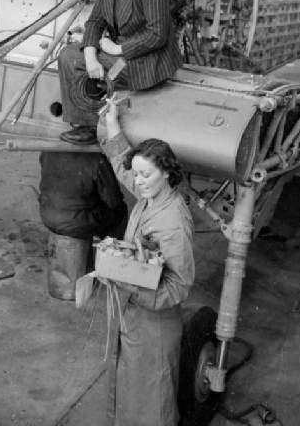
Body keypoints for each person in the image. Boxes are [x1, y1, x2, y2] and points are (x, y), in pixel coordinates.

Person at [98, 97, 195, 426]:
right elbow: (123, 168)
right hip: (136, 316)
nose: (137, 181)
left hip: (155, 323)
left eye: (145, 175)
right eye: (136, 174)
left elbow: (179, 285)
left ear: (166, 173)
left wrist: (128, 286)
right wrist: (112, 124)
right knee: (132, 392)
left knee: (153, 400)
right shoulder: (151, 195)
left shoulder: (172, 222)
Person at [57, 0, 181, 146]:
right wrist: (90, 56)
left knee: (102, 71)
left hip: (145, 61)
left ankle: (94, 125)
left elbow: (158, 34)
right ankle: (85, 122)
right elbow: (95, 22)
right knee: (69, 56)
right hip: (122, 55)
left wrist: (117, 49)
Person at [38, 150, 127, 242]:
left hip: (47, 217)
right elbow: (114, 201)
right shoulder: (96, 159)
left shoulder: (47, 152)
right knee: (120, 210)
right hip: (78, 223)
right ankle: (109, 250)